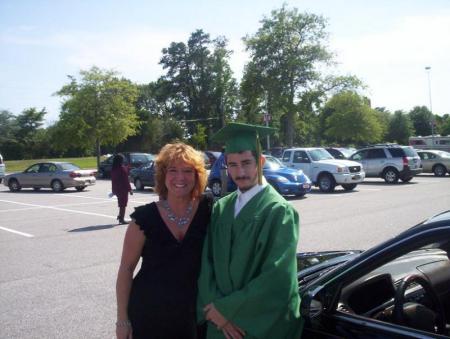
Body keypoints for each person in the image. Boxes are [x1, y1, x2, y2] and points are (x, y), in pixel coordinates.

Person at [197, 123, 302, 339]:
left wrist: (227, 310)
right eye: (233, 165)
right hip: (217, 321)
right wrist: (214, 310)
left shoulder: (278, 211)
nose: (240, 172)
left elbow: (277, 278)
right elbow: (205, 263)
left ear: (261, 162)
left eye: (246, 162)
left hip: (252, 326)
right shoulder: (221, 208)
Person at [116, 143, 211, 339]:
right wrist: (122, 320)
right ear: (162, 174)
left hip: (195, 317)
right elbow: (126, 269)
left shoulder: (209, 212)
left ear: (197, 175)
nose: (180, 177)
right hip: (149, 317)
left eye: (187, 171)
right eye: (173, 170)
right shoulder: (143, 219)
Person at [111, 154, 133, 225]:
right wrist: (130, 189)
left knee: (121, 204)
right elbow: (126, 180)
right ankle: (121, 219)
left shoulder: (113, 169)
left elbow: (113, 180)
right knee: (123, 204)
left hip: (117, 189)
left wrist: (113, 190)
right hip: (123, 189)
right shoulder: (122, 169)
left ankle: (120, 216)